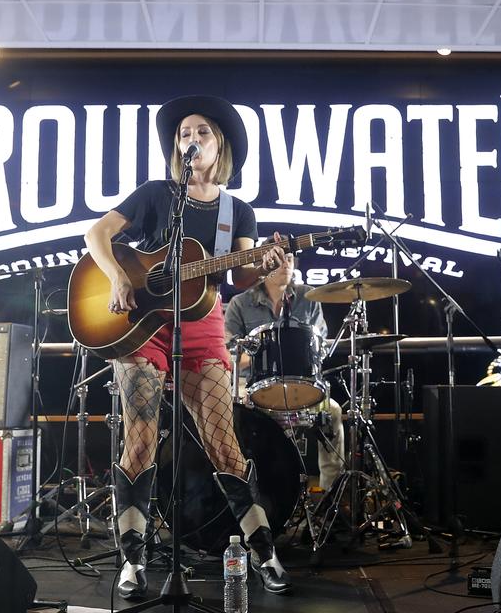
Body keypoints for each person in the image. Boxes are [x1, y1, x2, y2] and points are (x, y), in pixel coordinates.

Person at [83, 95, 290, 599]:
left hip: (203, 328)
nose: (191, 139)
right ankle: (132, 564)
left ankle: (264, 552)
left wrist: (265, 267)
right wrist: (114, 276)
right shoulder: (157, 194)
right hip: (144, 327)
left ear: (220, 143)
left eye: (201, 131)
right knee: (140, 442)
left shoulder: (235, 210)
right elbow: (98, 233)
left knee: (225, 445)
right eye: (183, 134)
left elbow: (239, 275)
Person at [223, 251, 345, 492]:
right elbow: (228, 354)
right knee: (230, 413)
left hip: (301, 386)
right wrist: (263, 355)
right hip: (251, 387)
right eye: (280, 259)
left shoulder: (308, 298)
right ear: (264, 263)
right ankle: (245, 490)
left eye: (289, 258)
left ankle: (331, 496)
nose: (286, 264)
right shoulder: (240, 303)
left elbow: (318, 348)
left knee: (332, 411)